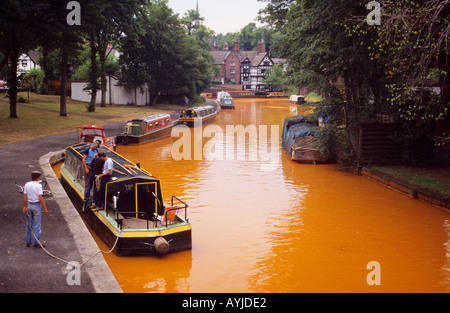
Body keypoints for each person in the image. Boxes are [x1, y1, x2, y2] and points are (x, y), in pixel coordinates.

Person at [23, 171, 48, 248]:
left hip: (29, 204)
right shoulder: (39, 186)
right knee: (37, 225)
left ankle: (28, 241)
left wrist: (24, 206)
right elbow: (40, 197)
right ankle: (36, 243)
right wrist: (45, 208)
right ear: (38, 178)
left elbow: (24, 197)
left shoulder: (27, 184)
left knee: (29, 224)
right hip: (36, 205)